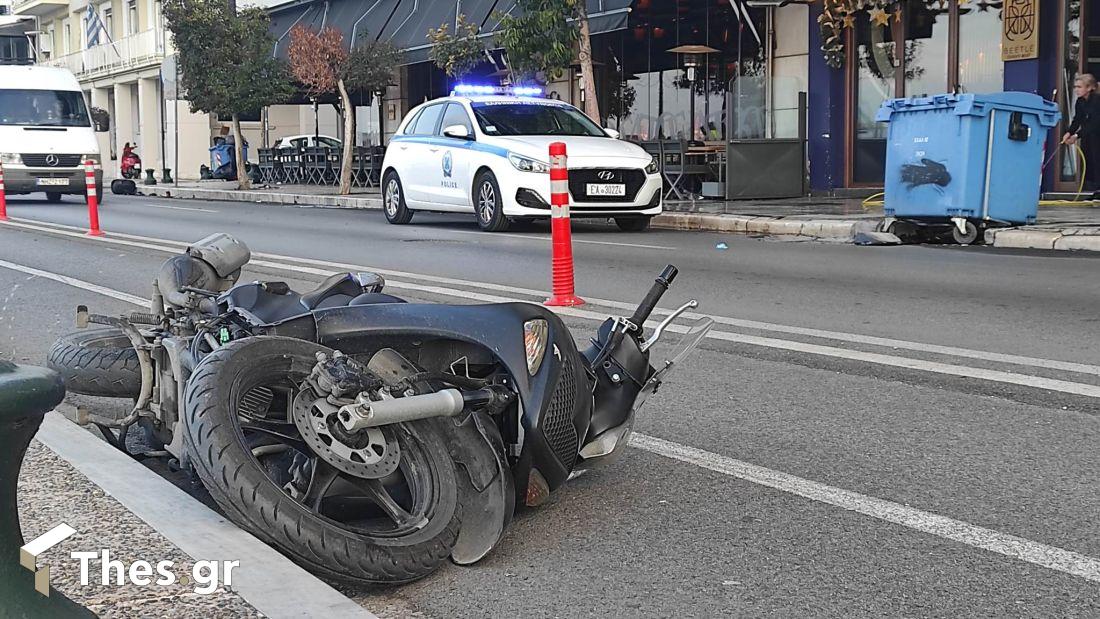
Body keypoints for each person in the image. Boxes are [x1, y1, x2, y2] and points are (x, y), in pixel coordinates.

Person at [1062, 73, 1100, 199]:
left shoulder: (1096, 100)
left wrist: (1076, 135)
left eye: (1079, 87)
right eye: (1075, 87)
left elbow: (1095, 123)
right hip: (1090, 135)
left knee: (1097, 159)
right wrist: (1069, 132)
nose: (1076, 90)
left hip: (1096, 132)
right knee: (1091, 161)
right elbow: (1077, 119)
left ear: (1089, 88)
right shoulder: (1080, 101)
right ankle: (1096, 189)